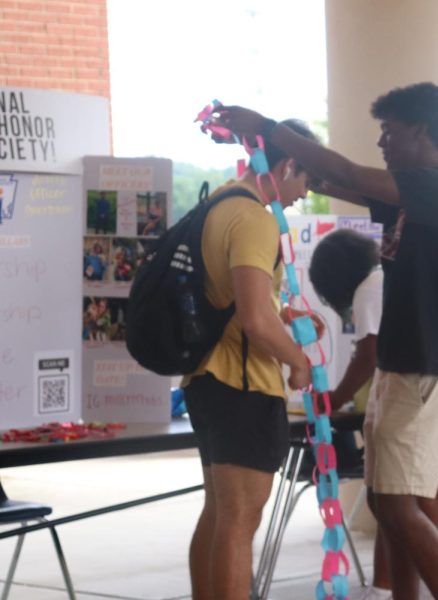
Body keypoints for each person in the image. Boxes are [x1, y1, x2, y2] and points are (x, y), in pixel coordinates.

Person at [217, 81, 438, 600]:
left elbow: (351, 173)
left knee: (400, 502)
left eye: (390, 131)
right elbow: (338, 177)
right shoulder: (406, 198)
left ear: (420, 132)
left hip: (428, 363)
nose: (381, 141)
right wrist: (274, 151)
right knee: (385, 501)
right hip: (401, 366)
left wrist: (266, 127)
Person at [180, 119, 318, 600]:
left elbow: (241, 298)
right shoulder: (255, 217)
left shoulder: (219, 202)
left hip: (205, 377)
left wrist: (284, 314)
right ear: (286, 165)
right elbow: (255, 320)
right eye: (306, 179)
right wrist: (297, 360)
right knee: (240, 521)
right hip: (243, 383)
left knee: (219, 513)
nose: (305, 193)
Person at [309, 228, 438, 600]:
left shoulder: (370, 286)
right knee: (406, 500)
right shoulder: (386, 276)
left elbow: (369, 353)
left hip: (416, 389)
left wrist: (333, 399)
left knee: (398, 504)